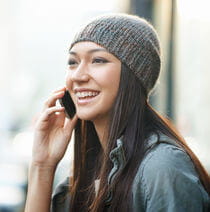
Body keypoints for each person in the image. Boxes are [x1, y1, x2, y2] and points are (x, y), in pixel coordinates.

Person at [24, 13, 210, 212]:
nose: (78, 75)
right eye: (73, 62)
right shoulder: (86, 173)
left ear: (133, 75)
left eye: (98, 60)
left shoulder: (162, 167)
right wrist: (42, 165)